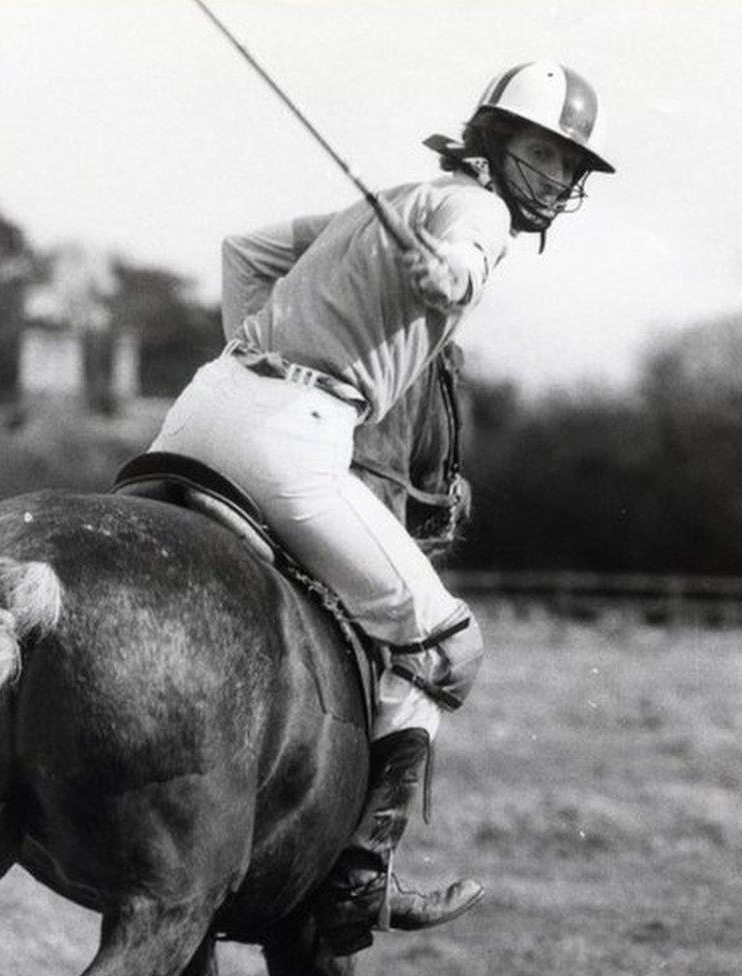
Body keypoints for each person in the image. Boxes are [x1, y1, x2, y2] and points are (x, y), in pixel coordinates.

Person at [148, 60, 614, 954]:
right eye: (544, 156)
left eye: (571, 168)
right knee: (448, 649)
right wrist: (445, 278)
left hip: (197, 413)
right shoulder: (478, 214)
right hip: (289, 439)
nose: (558, 181)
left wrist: (257, 347)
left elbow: (245, 251)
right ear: (495, 141)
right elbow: (461, 270)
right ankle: (357, 879)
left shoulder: (395, 199)